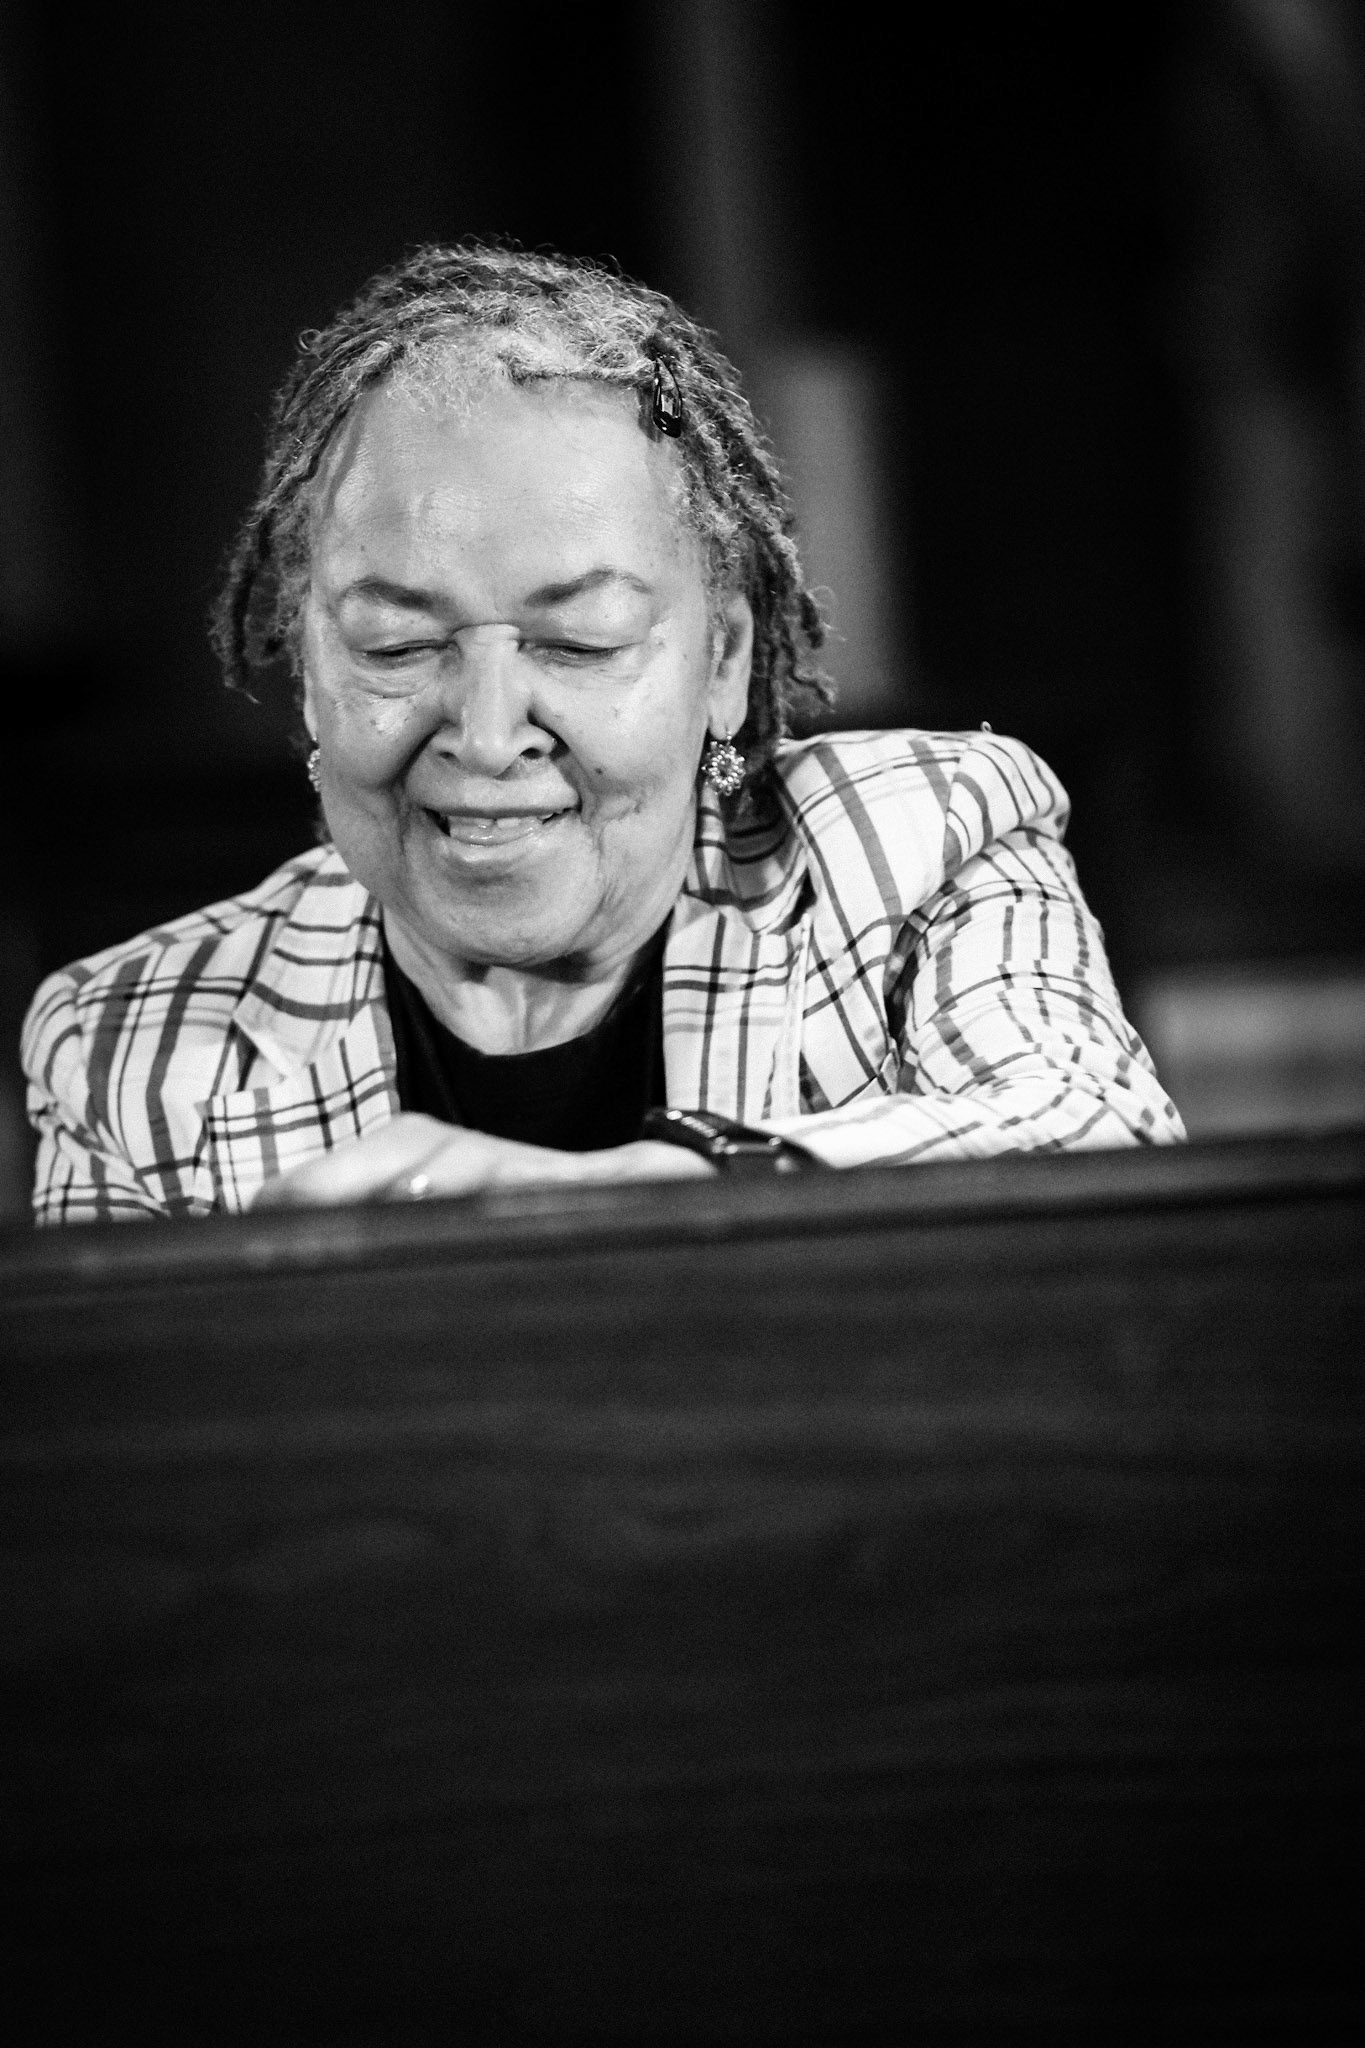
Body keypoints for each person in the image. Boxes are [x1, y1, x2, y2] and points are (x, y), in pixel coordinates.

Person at [21, 243, 1184, 1224]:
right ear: (309, 665)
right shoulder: (137, 1045)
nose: (484, 735)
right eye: (391, 646)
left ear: (721, 662)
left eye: (578, 643)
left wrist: (650, 1201)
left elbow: (1100, 1140)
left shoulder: (919, 850)